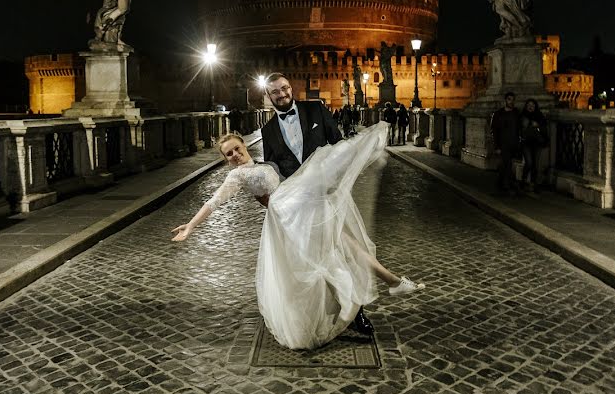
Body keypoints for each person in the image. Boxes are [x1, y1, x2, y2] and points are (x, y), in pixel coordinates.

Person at [171, 128, 425, 351]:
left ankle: (386, 283)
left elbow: (282, 186)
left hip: (298, 208)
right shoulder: (236, 176)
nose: (235, 155)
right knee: (333, 252)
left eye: (236, 148)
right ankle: (379, 289)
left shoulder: (262, 164)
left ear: (244, 145)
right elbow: (214, 202)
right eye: (229, 154)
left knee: (344, 244)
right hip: (288, 219)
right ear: (226, 160)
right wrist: (191, 226)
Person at [261, 73, 380, 335]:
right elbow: (272, 169)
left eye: (284, 88)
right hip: (297, 206)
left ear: (291, 87)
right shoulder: (267, 130)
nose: (282, 94)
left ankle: (357, 314)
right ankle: (315, 314)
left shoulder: (314, 108)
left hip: (327, 197)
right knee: (308, 261)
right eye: (275, 92)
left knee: (340, 254)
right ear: (268, 97)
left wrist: (338, 180)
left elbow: (338, 145)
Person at [491, 91, 521, 195]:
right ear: (505, 100)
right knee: (507, 164)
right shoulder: (498, 114)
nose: (511, 102)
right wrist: (497, 146)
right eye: (509, 99)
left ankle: (501, 183)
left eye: (513, 100)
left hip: (514, 143)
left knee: (507, 164)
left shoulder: (516, 113)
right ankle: (507, 186)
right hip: (503, 144)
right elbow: (494, 131)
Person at [519, 99, 548, 193]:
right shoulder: (522, 116)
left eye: (532, 105)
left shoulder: (539, 116)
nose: (531, 106)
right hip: (526, 143)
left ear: (535, 106)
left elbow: (544, 129)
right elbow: (519, 129)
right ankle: (523, 181)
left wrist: (538, 126)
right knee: (529, 162)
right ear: (526, 106)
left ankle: (532, 184)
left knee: (535, 164)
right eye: (529, 105)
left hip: (537, 143)